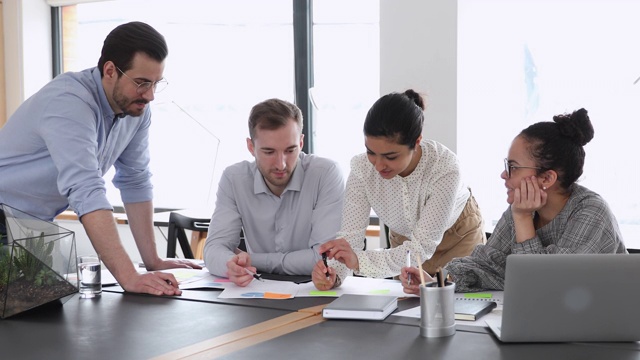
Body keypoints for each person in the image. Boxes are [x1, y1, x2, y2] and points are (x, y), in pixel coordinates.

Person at [0, 22, 199, 296]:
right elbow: (85, 188)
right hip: (4, 217)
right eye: (142, 83)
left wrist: (152, 262)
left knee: (43, 319)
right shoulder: (68, 101)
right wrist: (129, 277)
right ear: (109, 70)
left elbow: (135, 180)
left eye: (156, 83)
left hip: (32, 225)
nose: (150, 95)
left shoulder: (135, 110)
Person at [400, 108, 627, 295]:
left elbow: (546, 289)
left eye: (513, 167)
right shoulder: (519, 211)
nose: (504, 175)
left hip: (602, 338)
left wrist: (523, 219)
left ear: (547, 178)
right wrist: (437, 282)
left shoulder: (591, 213)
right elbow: (488, 266)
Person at [312, 90, 486, 290]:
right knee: (406, 310)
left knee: (458, 308)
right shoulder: (361, 168)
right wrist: (334, 275)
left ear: (417, 141)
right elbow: (350, 237)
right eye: (371, 152)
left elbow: (421, 247)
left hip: (457, 238)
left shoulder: (445, 167)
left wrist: (358, 261)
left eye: (391, 156)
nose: (378, 165)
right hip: (404, 244)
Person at [203, 98, 345, 286]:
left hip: (315, 289)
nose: (281, 164)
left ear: (301, 143)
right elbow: (213, 250)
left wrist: (253, 259)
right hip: (256, 290)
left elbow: (325, 260)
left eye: (290, 150)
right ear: (251, 147)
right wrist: (231, 265)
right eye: (269, 152)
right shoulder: (233, 178)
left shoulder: (326, 174)